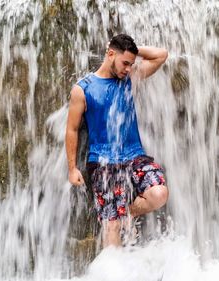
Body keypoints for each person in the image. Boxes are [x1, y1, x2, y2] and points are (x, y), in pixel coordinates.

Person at [65, 34, 169, 247]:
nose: (129, 68)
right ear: (110, 54)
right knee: (110, 226)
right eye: (125, 63)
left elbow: (161, 55)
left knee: (159, 194)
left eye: (132, 64)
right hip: (102, 161)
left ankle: (125, 214)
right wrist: (72, 168)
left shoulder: (130, 78)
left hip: (134, 155)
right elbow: (72, 129)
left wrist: (132, 50)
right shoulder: (83, 88)